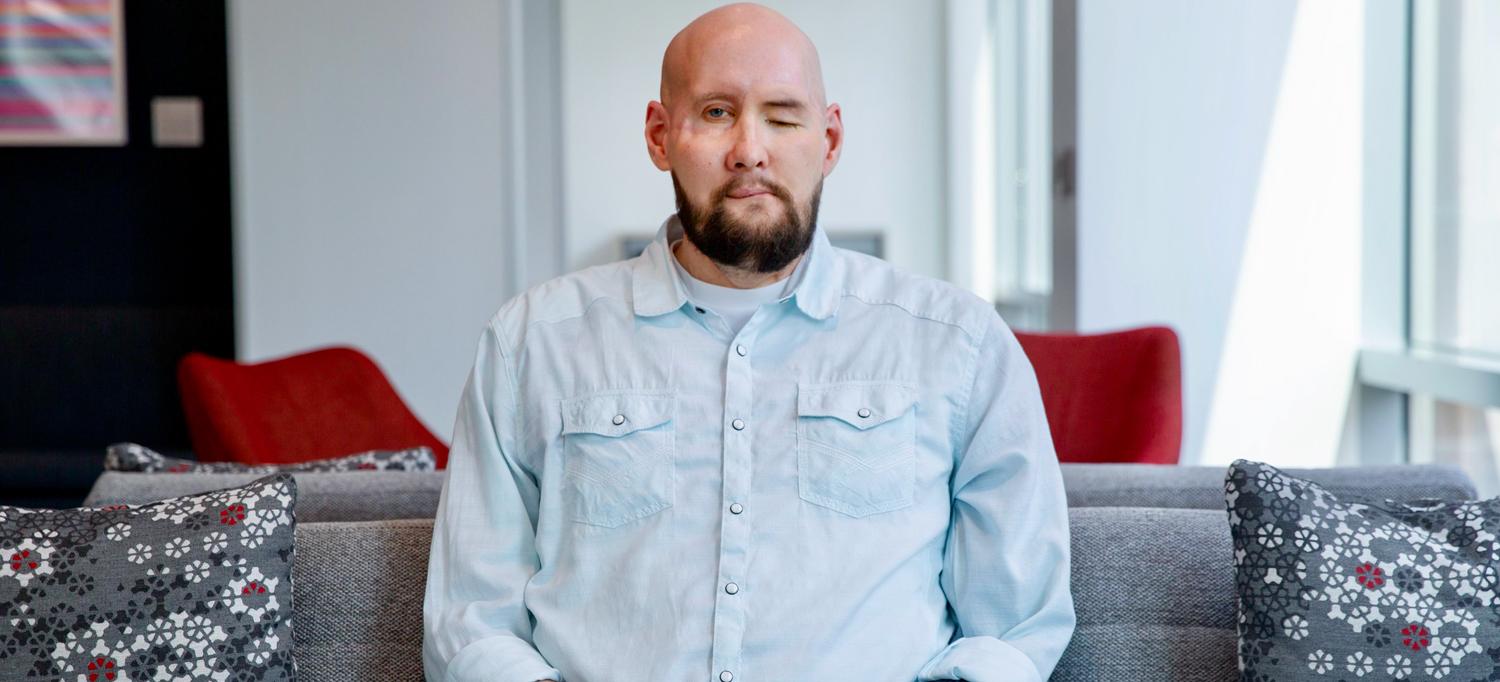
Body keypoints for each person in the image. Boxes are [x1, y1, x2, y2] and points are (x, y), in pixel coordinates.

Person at [421, 4, 1075, 681]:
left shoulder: (958, 346)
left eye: (784, 116)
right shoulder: (531, 345)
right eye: (715, 113)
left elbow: (1016, 627)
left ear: (829, 139)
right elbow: (472, 621)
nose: (750, 150)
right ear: (659, 135)